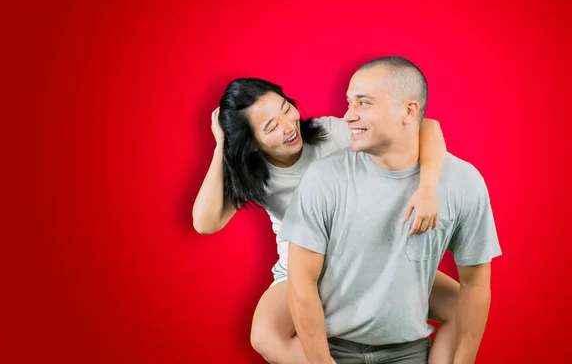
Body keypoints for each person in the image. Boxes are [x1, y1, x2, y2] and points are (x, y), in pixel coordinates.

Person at [192, 76, 459, 363]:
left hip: (370, 257)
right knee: (265, 336)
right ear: (253, 144)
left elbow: (428, 127)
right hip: (301, 268)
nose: (288, 126)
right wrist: (221, 146)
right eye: (270, 127)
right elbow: (205, 223)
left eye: (285, 109)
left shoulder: (331, 133)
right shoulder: (256, 175)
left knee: (464, 306)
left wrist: (427, 188)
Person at [279, 56, 502, 364]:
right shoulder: (324, 178)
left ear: (409, 111)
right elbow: (301, 281)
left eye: (363, 103)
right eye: (349, 102)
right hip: (331, 350)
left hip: (409, 352)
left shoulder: (463, 183)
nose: (348, 115)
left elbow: (475, 284)